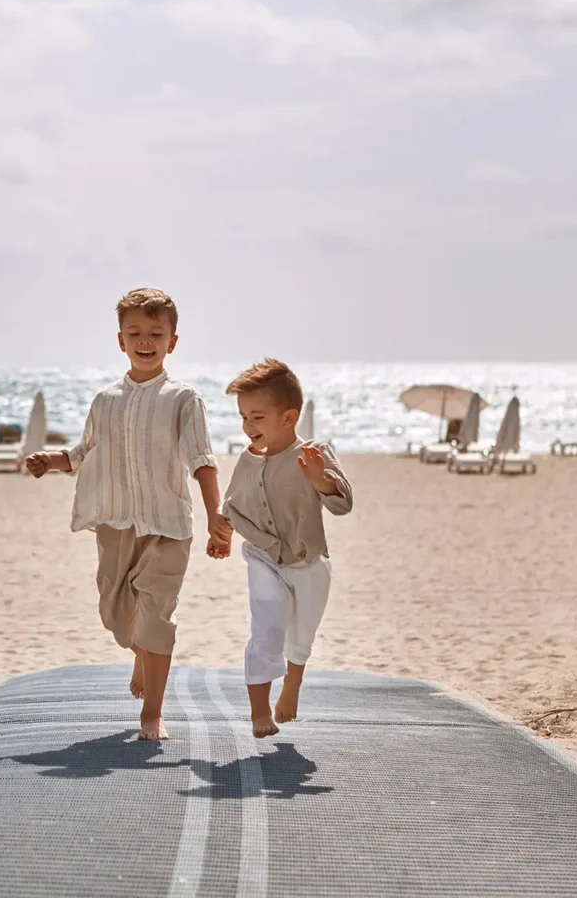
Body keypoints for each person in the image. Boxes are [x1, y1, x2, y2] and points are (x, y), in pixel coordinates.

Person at [25, 287, 231, 740]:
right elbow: (84, 452)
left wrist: (217, 517)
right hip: (115, 524)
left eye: (156, 333)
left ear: (172, 342)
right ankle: (140, 652)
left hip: (169, 525)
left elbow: (202, 459)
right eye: (135, 331)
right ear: (120, 340)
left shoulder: (184, 399)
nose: (145, 340)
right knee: (117, 615)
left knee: (156, 614)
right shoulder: (105, 400)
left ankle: (152, 714)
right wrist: (52, 460)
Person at [220, 359, 353, 737]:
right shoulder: (247, 462)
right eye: (243, 417)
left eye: (257, 417)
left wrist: (320, 479)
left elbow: (342, 505)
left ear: (289, 417)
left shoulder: (315, 453)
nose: (247, 426)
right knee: (266, 626)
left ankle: (292, 682)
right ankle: (259, 712)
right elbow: (231, 506)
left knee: (301, 634)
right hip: (262, 556)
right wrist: (221, 529)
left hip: (308, 562)